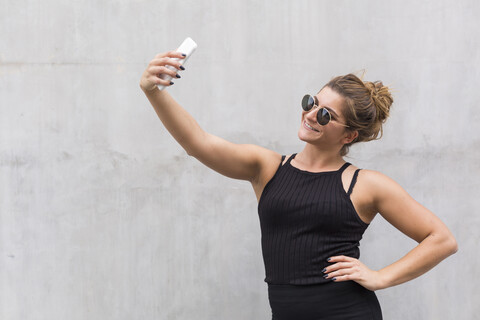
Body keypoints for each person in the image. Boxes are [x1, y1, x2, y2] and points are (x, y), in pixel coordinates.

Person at [139, 51, 458, 320]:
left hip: (348, 312)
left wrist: (380, 277)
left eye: (324, 115)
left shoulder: (366, 185)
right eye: (311, 102)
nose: (309, 114)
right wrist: (153, 91)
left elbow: (441, 239)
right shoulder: (266, 167)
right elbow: (197, 143)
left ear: (348, 136)